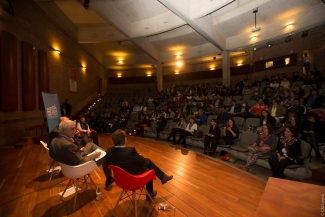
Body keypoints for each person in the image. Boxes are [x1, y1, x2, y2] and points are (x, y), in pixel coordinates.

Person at [106, 130, 173, 199]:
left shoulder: (109, 151)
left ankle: (163, 178)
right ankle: (150, 193)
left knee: (147, 161)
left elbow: (109, 162)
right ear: (124, 139)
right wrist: (138, 156)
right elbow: (142, 162)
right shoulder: (130, 151)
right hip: (132, 177)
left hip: (120, 179)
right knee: (148, 168)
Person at [49, 120, 114, 186]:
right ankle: (109, 177)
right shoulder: (68, 145)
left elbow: (52, 154)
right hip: (77, 168)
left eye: (75, 128)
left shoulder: (54, 140)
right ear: (64, 130)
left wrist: (77, 150)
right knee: (105, 156)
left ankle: (109, 158)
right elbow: (80, 161)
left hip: (72, 160)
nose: (75, 130)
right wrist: (94, 155)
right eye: (73, 128)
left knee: (91, 145)